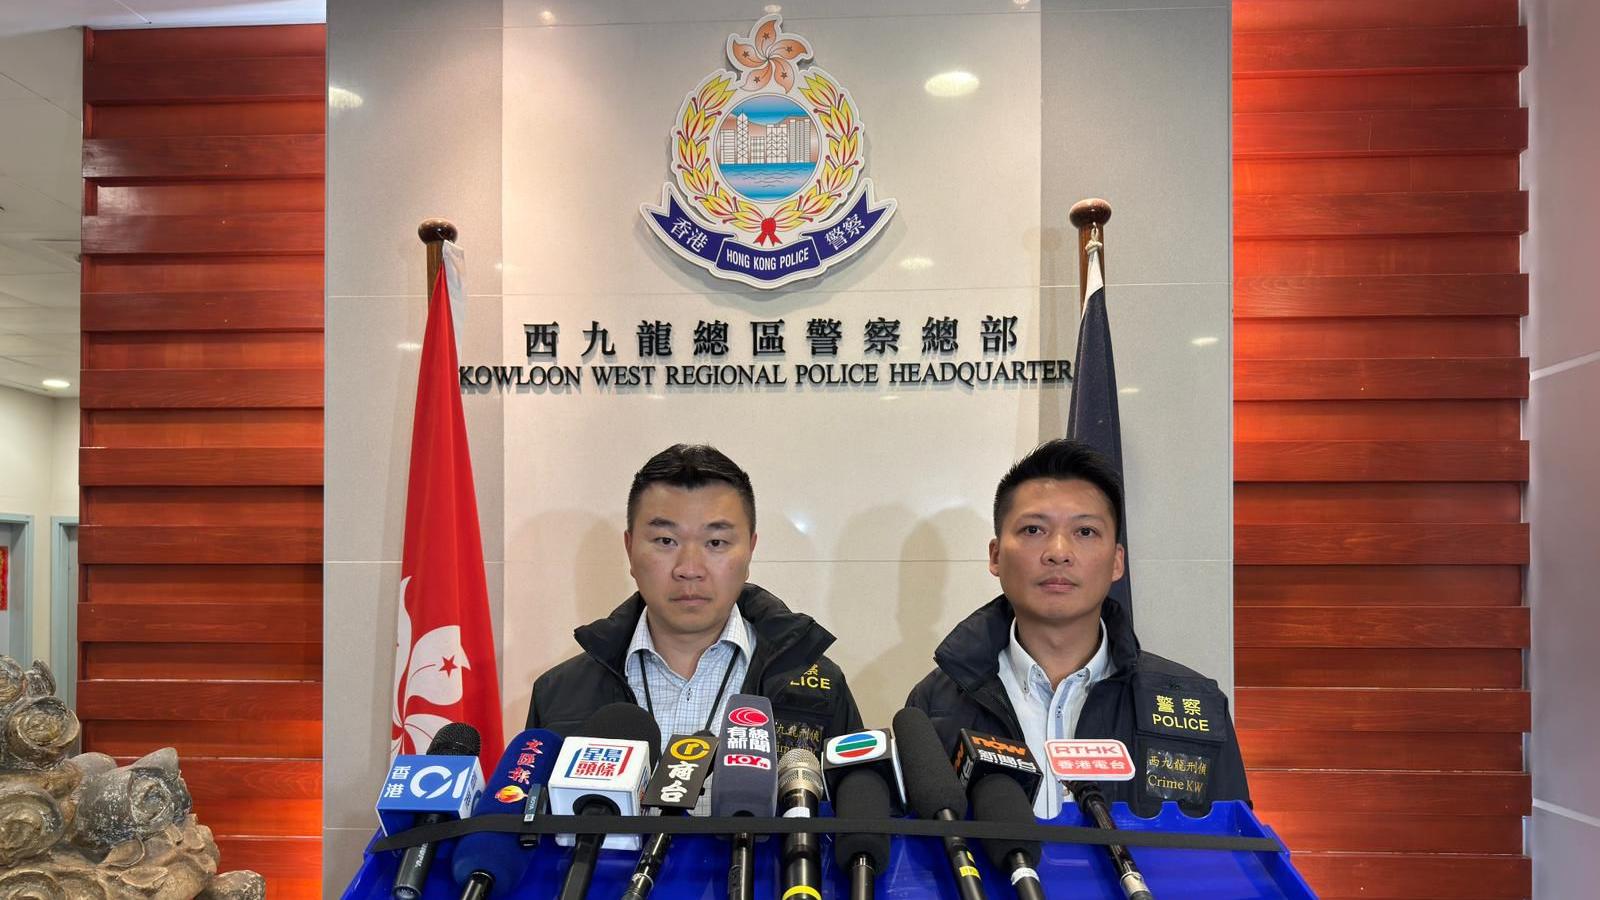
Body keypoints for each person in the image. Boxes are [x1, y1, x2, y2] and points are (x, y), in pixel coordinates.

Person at [906, 439, 1250, 818]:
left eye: (1085, 532)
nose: (1058, 552)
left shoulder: (1194, 707)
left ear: (1116, 562)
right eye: (1033, 529)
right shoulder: (935, 703)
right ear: (996, 556)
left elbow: (1232, 843)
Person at [526, 444, 862, 762]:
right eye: (665, 540)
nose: (689, 569)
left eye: (715, 542)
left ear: (750, 550)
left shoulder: (816, 687)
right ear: (629, 549)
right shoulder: (559, 693)